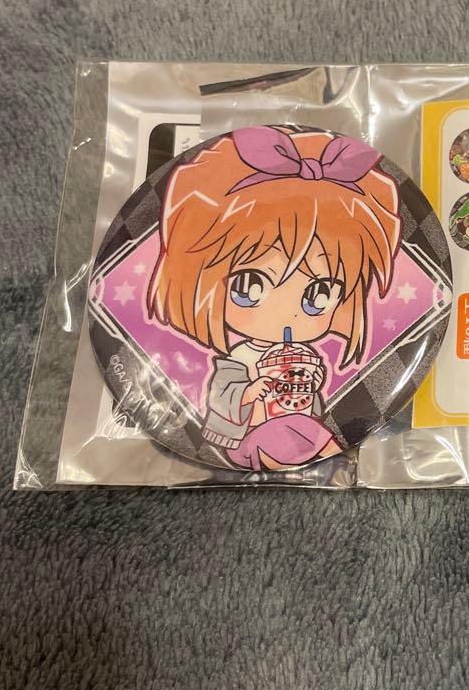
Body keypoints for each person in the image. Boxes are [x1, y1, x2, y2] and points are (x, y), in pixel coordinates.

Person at [148, 126, 401, 470]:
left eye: (318, 294)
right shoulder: (239, 358)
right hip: (246, 441)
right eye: (249, 286)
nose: (284, 313)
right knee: (287, 437)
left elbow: (310, 406)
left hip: (300, 434)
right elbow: (221, 400)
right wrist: (251, 392)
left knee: (303, 434)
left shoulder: (303, 354)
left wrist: (310, 384)